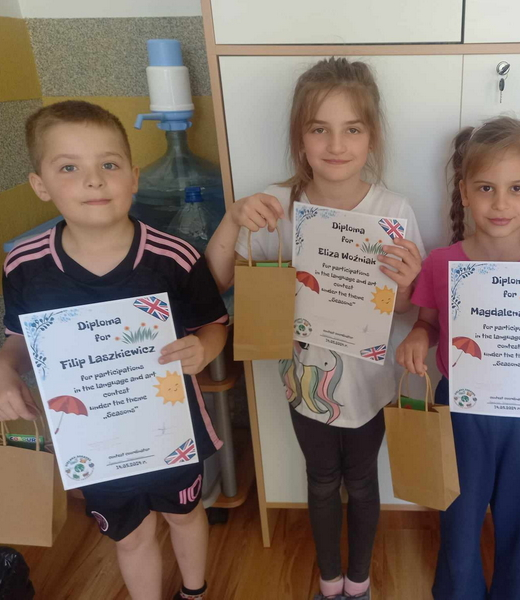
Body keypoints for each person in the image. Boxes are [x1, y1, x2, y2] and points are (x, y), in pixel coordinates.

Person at [0, 100, 229, 600]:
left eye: (109, 164)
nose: (94, 180)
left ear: (133, 178)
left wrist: (204, 348)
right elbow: (22, 339)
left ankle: (194, 592)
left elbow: (214, 324)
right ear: (40, 185)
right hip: (94, 441)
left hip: (169, 428)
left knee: (185, 514)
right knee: (131, 537)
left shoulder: (174, 256)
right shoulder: (25, 264)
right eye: (69, 168)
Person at [206, 57, 425, 600]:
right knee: (322, 479)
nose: (336, 144)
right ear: (299, 138)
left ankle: (360, 581)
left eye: (352, 129)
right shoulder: (275, 205)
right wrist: (232, 217)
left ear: (371, 138)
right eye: (319, 129)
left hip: (370, 382)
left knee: (364, 480)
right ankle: (330, 582)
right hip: (304, 382)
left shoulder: (393, 209)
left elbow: (403, 308)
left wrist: (407, 283)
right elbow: (214, 280)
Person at [396, 116, 520, 599]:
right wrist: (418, 338)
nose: (501, 203)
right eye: (486, 188)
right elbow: (428, 323)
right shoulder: (441, 263)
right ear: (465, 193)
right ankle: (457, 591)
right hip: (459, 409)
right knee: (459, 514)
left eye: (517, 188)